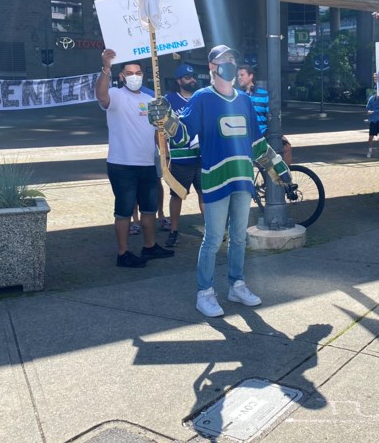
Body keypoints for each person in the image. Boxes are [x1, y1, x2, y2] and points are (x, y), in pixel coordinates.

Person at [148, 45, 292, 317]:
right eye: (223, 60)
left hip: (243, 179)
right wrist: (165, 119)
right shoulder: (203, 98)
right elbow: (182, 134)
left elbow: (257, 143)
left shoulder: (244, 101)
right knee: (213, 239)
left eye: (232, 59)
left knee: (239, 237)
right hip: (215, 179)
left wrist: (280, 170)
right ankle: (205, 292)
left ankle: (236, 284)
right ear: (211, 67)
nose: (229, 64)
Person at [97, 49, 175, 267]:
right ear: (121, 76)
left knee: (149, 208)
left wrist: (163, 152)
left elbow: (158, 130)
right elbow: (101, 96)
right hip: (122, 165)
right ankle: (123, 253)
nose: (134, 76)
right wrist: (106, 68)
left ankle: (149, 247)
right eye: (129, 72)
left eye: (138, 72)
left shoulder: (150, 100)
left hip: (147, 163)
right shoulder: (115, 96)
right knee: (124, 211)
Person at [163, 63, 206, 247]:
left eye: (193, 77)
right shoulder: (169, 100)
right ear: (179, 80)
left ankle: (211, 230)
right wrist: (165, 155)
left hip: (203, 156)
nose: (192, 80)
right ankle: (173, 230)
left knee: (205, 194)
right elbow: (162, 130)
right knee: (177, 195)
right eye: (187, 78)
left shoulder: (201, 97)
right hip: (181, 157)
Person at [237, 63, 292, 166]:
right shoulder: (238, 95)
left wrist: (277, 134)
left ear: (251, 76)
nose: (239, 78)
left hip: (263, 133)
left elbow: (271, 116)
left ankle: (284, 178)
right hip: (247, 135)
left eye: (242, 75)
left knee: (286, 147)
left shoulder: (263, 94)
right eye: (238, 75)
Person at [365, 74, 379, 158]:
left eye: (378, 89)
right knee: (371, 137)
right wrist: (369, 111)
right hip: (373, 120)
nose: (377, 90)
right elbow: (367, 107)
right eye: (376, 89)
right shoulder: (371, 98)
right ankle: (369, 151)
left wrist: (372, 112)